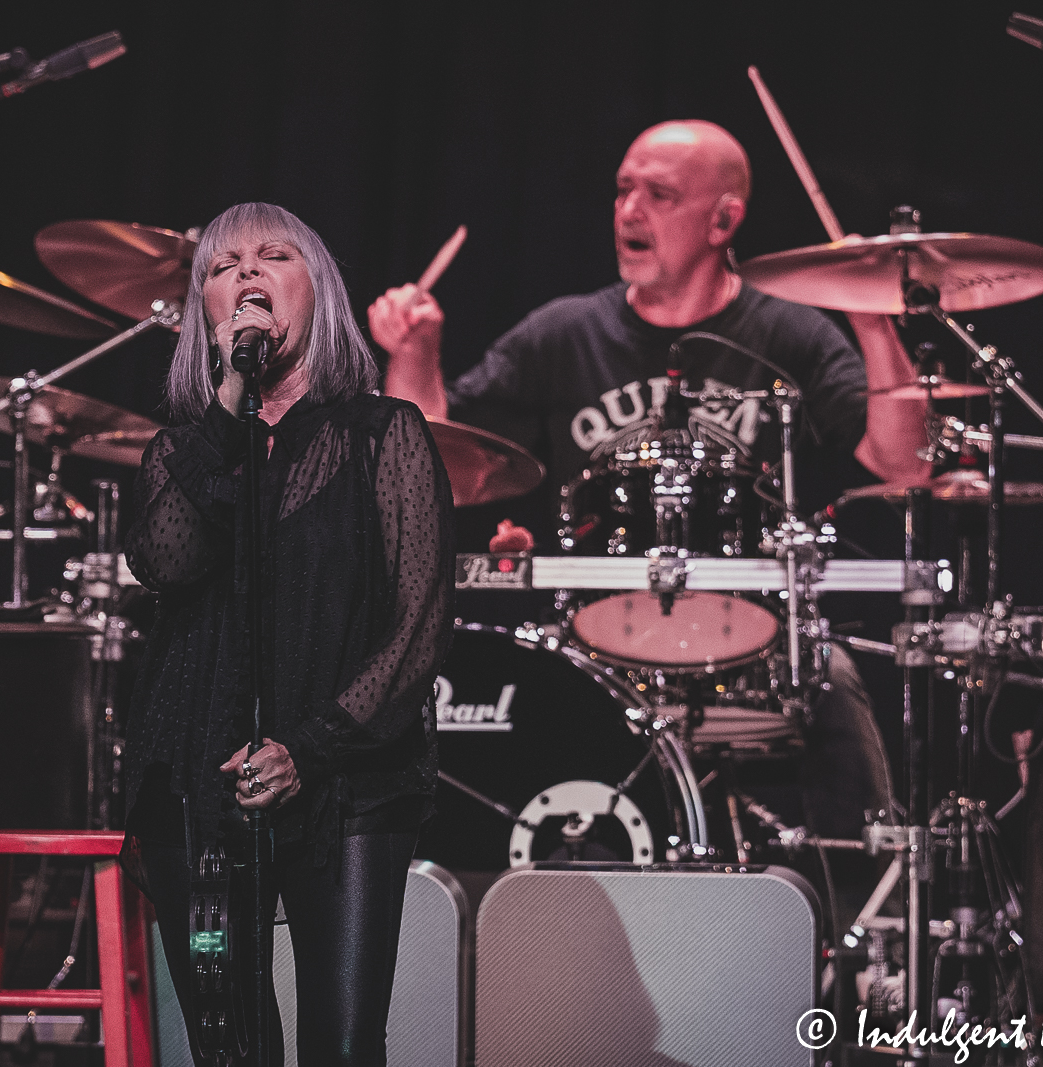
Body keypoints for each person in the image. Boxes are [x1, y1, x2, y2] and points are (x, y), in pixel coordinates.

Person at [369, 120, 924, 864]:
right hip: (594, 643)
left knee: (836, 696)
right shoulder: (563, 333)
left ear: (724, 219)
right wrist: (414, 353)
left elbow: (905, 463)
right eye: (623, 189)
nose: (629, 209)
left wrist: (874, 323)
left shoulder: (788, 334)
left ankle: (860, 945)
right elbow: (425, 464)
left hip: (762, 640)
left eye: (658, 194)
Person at [122, 202, 453, 1066]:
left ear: (320, 290)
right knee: (229, 1048)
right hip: (203, 783)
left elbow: (417, 629)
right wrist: (230, 400)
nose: (248, 277)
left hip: (346, 779)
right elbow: (166, 560)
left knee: (342, 1046)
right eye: (224, 268)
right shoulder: (180, 453)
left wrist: (308, 746)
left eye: (274, 257)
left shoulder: (385, 436)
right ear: (205, 308)